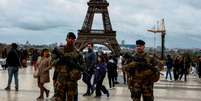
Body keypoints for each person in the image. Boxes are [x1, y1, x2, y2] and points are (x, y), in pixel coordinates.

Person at [53, 32, 83, 101]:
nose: (71, 40)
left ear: (74, 40)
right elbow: (52, 62)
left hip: (72, 81)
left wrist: (77, 71)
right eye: (69, 38)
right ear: (66, 39)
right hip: (61, 80)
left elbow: (83, 65)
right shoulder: (60, 50)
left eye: (72, 39)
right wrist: (60, 60)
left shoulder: (77, 53)